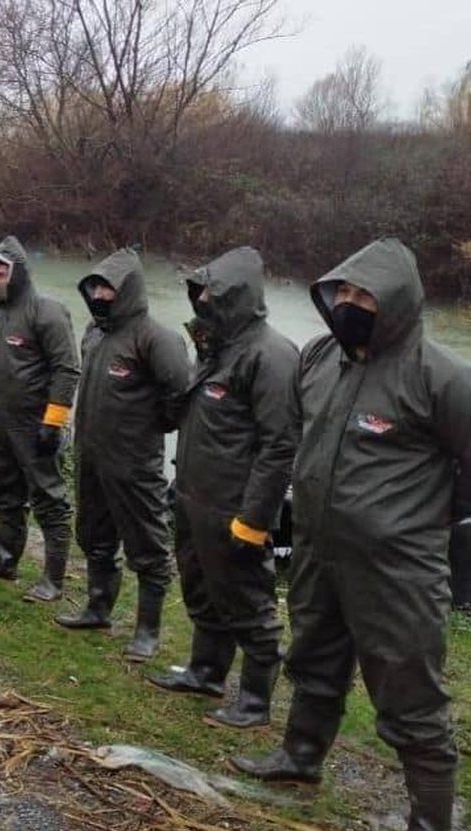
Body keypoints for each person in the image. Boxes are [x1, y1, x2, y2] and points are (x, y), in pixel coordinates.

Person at [231, 238, 471, 831]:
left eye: (363, 295)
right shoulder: (319, 356)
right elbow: (297, 433)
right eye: (341, 292)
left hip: (398, 568)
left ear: (395, 303)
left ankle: (429, 825)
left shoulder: (441, 377)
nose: (349, 303)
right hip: (319, 551)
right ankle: (299, 756)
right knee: (314, 658)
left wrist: (425, 517)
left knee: (410, 693)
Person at [148, 247, 299, 727]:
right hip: (194, 496)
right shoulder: (216, 347)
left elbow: (280, 447)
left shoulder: (271, 355)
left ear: (236, 296)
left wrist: (255, 520)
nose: (202, 300)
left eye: (211, 292)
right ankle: (206, 671)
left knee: (247, 599)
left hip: (237, 506)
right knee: (201, 588)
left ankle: (255, 700)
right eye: (199, 292)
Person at [55, 249, 191, 659]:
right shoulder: (94, 334)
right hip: (91, 455)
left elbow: (179, 399)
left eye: (108, 287)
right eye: (94, 286)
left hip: (135, 462)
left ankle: (147, 631)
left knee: (148, 546)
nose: (99, 294)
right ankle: (98, 607)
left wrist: (148, 429)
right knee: (95, 536)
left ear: (128, 290)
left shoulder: (157, 338)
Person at [0, 236, 80, 602]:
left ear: (18, 272)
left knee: (50, 499)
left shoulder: (48, 311)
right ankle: (4, 559)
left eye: (1, 269)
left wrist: (54, 420)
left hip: (35, 426)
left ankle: (53, 579)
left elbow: (67, 369)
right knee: (6, 495)